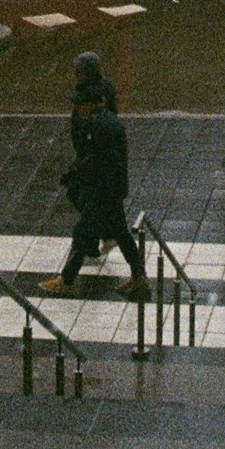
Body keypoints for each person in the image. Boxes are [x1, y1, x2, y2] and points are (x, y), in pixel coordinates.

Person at [51, 54, 143, 294]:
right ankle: (139, 276)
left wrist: (78, 173)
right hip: (107, 188)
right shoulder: (104, 122)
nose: (78, 109)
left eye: (80, 105)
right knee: (120, 233)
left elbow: (96, 159)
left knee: (83, 232)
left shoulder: (99, 128)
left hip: (102, 189)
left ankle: (67, 281)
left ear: (91, 104)